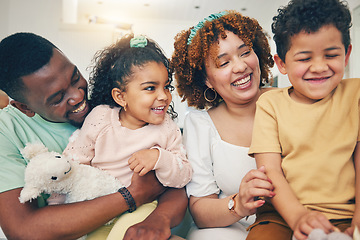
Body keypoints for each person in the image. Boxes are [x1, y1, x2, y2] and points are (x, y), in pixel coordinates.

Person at [0, 32, 188, 240]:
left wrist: (160, 217)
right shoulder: (6, 131)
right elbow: (23, 230)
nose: (78, 96)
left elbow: (176, 178)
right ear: (24, 108)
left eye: (75, 77)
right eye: (58, 98)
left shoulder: (114, 104)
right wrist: (133, 194)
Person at [58, 34, 192, 239]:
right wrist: (59, 200)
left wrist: (159, 158)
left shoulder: (167, 128)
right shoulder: (101, 117)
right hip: (100, 211)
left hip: (142, 209)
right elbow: (76, 160)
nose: (164, 96)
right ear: (120, 97)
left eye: (166, 86)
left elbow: (183, 175)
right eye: (150, 88)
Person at [247, 0, 360, 239]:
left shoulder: (356, 94)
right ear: (282, 63)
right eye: (304, 58)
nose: (319, 67)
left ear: (347, 54)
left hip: (345, 214)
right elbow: (270, 172)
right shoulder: (270, 104)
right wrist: (298, 216)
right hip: (280, 214)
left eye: (330, 55)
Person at [171, 10, 275, 239]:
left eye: (245, 52)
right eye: (224, 62)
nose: (240, 67)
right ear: (206, 79)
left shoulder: (287, 102)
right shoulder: (200, 125)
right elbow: (200, 210)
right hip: (234, 228)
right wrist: (238, 204)